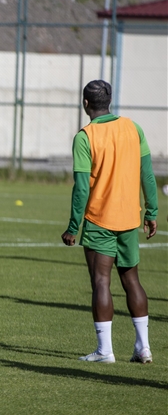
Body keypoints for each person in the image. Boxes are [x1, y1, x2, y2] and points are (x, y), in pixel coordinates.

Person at [61, 79, 158, 364]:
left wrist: (72, 227)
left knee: (101, 281)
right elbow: (147, 174)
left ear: (85, 103)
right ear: (110, 101)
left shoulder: (85, 137)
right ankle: (143, 347)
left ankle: (105, 351)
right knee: (132, 280)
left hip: (99, 219)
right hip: (129, 219)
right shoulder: (133, 128)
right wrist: (151, 211)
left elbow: (81, 188)